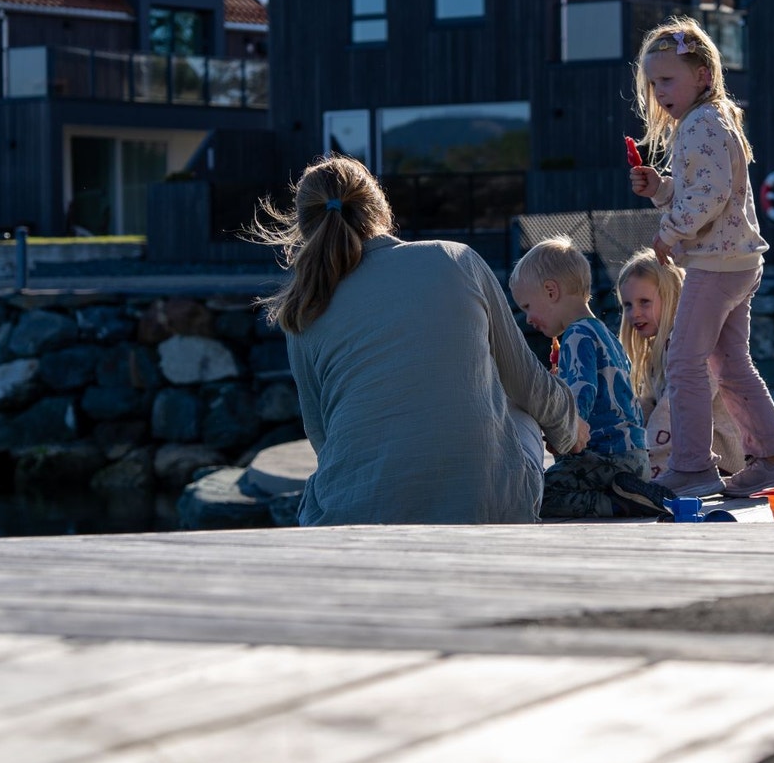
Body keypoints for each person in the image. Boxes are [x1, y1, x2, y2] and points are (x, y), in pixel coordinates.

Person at [252, 156, 588, 525]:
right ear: (380, 208)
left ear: (304, 226)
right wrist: (569, 427)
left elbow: (322, 436)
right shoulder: (455, 258)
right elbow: (526, 382)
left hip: (351, 519)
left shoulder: (305, 307)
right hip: (483, 509)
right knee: (515, 404)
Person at [628, 16, 774, 498]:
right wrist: (662, 190)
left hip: (714, 265)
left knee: (683, 361)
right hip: (737, 262)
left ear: (702, 74)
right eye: (653, 83)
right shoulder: (715, 118)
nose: (659, 92)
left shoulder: (699, 123)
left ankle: (693, 466)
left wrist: (669, 232)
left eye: (667, 80)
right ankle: (772, 461)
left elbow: (710, 195)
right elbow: (704, 190)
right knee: (731, 364)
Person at [508, 237, 670, 519]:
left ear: (551, 291)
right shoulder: (605, 335)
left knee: (534, 494)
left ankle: (616, 504)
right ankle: (630, 492)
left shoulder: (576, 335)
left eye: (527, 307)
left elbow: (581, 395)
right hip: (635, 458)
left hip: (604, 458)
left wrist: (564, 433)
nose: (529, 319)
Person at [616, 249, 746, 481]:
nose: (634, 313)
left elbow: (673, 410)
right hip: (692, 451)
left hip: (723, 460)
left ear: (673, 297)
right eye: (627, 305)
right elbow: (649, 406)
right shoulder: (659, 347)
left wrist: (647, 467)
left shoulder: (691, 344)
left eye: (644, 302)